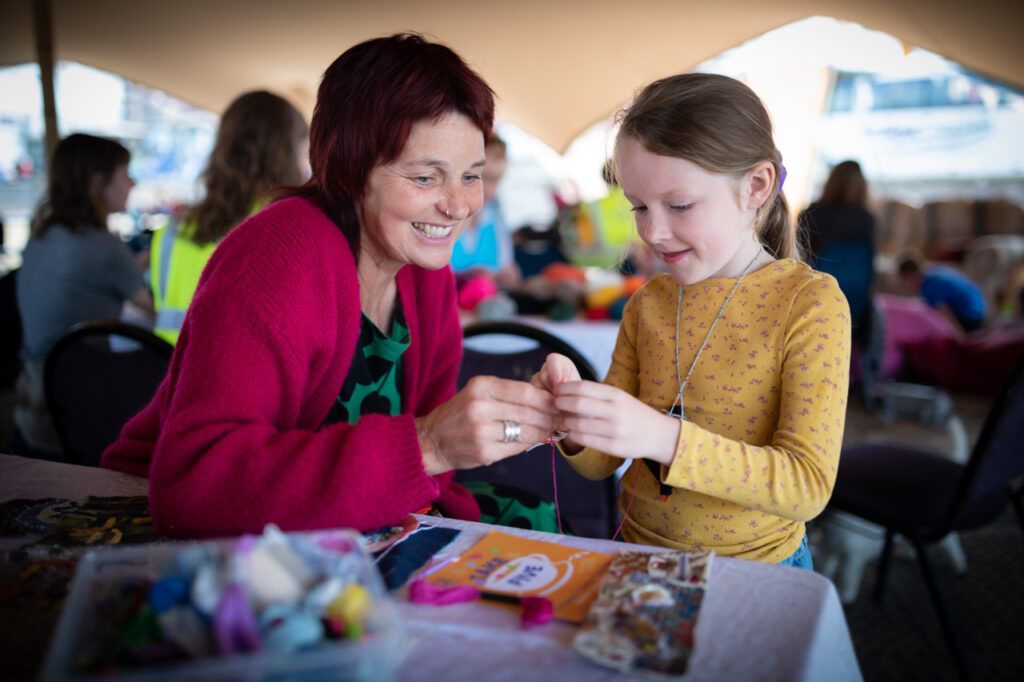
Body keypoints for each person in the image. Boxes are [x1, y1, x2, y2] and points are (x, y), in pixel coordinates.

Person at [102, 33, 559, 538]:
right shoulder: (279, 255)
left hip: (324, 524)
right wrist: (428, 444)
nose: (458, 206)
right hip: (172, 529)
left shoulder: (424, 270)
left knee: (538, 519)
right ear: (349, 168)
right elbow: (197, 483)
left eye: (470, 176)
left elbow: (431, 461)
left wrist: (529, 416)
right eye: (427, 178)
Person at [534, 73, 851, 568]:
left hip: (754, 568)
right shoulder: (649, 303)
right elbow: (600, 463)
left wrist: (660, 436)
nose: (653, 231)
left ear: (756, 186)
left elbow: (806, 485)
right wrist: (574, 417)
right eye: (638, 206)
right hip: (636, 554)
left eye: (679, 205)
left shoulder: (809, 304)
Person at [15, 133, 153, 457]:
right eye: (125, 174)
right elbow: (154, 308)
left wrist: (137, 261)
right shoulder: (105, 247)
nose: (132, 183)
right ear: (97, 183)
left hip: (33, 400)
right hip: (76, 411)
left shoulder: (43, 235)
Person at [151, 91, 308, 344]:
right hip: (241, 379)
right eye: (304, 152)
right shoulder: (286, 231)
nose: (306, 166)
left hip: (166, 374)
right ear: (287, 156)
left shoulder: (170, 231)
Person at [798, 160, 876, 336]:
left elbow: (798, 258)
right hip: (855, 305)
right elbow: (870, 268)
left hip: (815, 299)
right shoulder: (867, 220)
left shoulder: (812, 213)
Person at [449, 133, 521, 290]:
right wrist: (466, 277)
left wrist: (507, 277)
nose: (492, 190)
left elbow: (505, 267)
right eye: (486, 178)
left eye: (497, 180)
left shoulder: (497, 216)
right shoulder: (444, 216)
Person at [897, 251, 987, 333]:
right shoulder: (934, 271)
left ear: (908, 276)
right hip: (979, 310)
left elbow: (945, 315)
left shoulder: (929, 286)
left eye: (903, 281)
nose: (902, 285)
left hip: (970, 320)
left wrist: (960, 339)